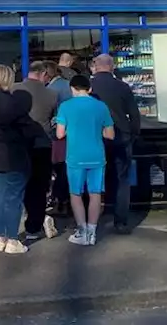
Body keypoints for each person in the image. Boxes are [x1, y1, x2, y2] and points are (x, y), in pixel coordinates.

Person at [0, 64, 44, 255]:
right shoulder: (15, 104)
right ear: (9, 79)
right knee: (13, 199)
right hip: (13, 156)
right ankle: (12, 240)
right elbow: (28, 129)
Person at [56, 75, 116, 246]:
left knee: (76, 194)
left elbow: (60, 134)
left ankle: (82, 231)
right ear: (90, 89)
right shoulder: (101, 106)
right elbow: (110, 134)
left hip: (75, 156)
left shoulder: (66, 106)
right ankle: (92, 231)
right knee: (95, 193)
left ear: (72, 88)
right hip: (97, 155)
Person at [90, 54, 141, 234]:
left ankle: (91, 221)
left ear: (95, 66)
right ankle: (120, 221)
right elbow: (134, 115)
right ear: (111, 67)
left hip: (95, 137)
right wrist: (134, 133)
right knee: (122, 179)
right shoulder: (122, 87)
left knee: (94, 178)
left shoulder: (89, 87)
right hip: (121, 137)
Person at [12, 61, 59, 242]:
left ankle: (13, 226)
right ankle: (33, 226)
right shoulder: (51, 94)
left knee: (18, 185)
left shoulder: (14, 89)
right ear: (42, 73)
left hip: (18, 144)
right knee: (39, 187)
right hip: (42, 144)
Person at [43, 61, 73, 216]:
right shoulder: (69, 85)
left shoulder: (50, 90)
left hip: (57, 133)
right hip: (72, 133)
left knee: (58, 169)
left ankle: (60, 201)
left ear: (47, 74)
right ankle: (67, 201)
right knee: (66, 169)